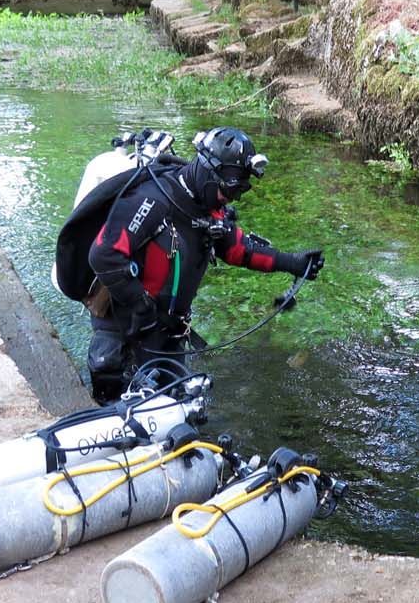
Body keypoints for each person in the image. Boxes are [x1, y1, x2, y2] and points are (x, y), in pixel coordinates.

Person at [84, 127, 323, 402]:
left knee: (178, 404)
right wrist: (141, 307)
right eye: (229, 189)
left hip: (167, 331)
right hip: (126, 324)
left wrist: (292, 262)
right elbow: (104, 255)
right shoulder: (151, 200)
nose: (232, 198)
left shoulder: (209, 208)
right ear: (208, 171)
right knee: (113, 396)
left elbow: (237, 249)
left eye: (240, 190)